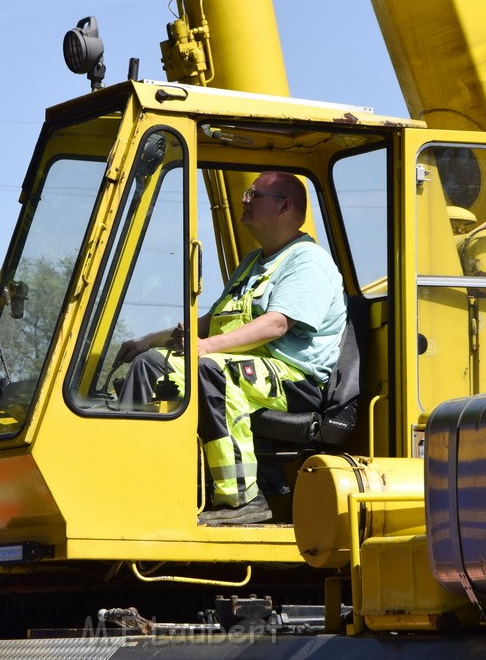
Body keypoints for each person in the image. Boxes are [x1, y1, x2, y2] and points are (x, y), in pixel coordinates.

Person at [113, 171, 347, 525]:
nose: (244, 199)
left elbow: (277, 323)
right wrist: (149, 340)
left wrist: (204, 348)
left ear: (284, 206)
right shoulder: (254, 262)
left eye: (255, 195)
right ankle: (133, 482)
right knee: (151, 364)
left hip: (292, 380)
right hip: (241, 366)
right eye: (247, 193)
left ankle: (242, 499)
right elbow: (214, 318)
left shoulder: (308, 261)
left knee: (210, 371)